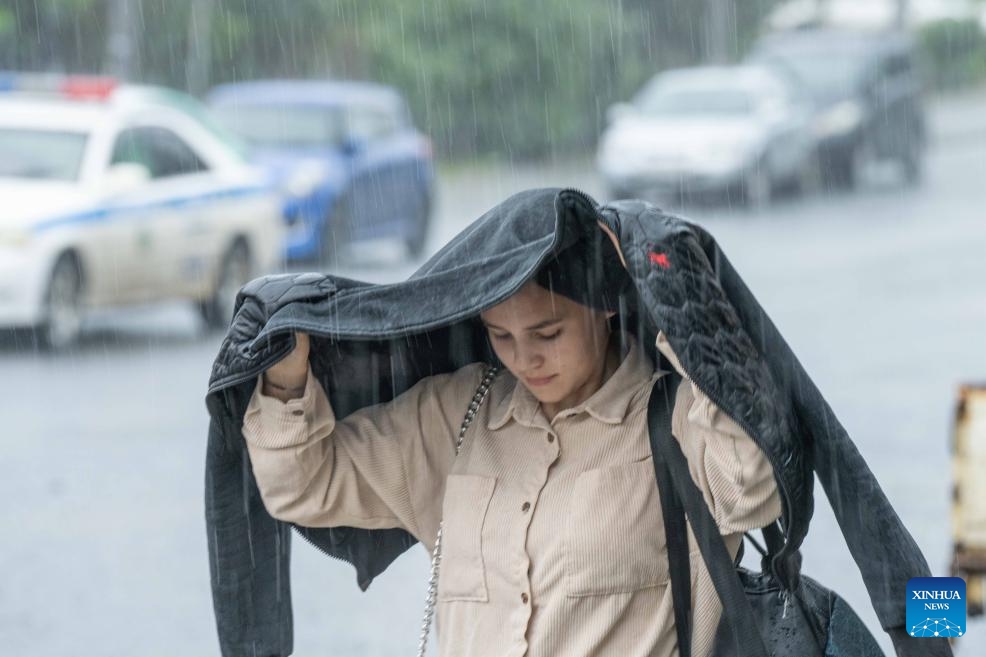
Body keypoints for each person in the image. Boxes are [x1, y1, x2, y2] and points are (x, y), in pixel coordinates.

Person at [241, 223, 782, 657]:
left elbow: (753, 493)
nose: (525, 359)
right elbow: (303, 486)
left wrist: (679, 307)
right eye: (501, 336)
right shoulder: (456, 416)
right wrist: (286, 376)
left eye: (548, 334)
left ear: (606, 304)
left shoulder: (676, 417)